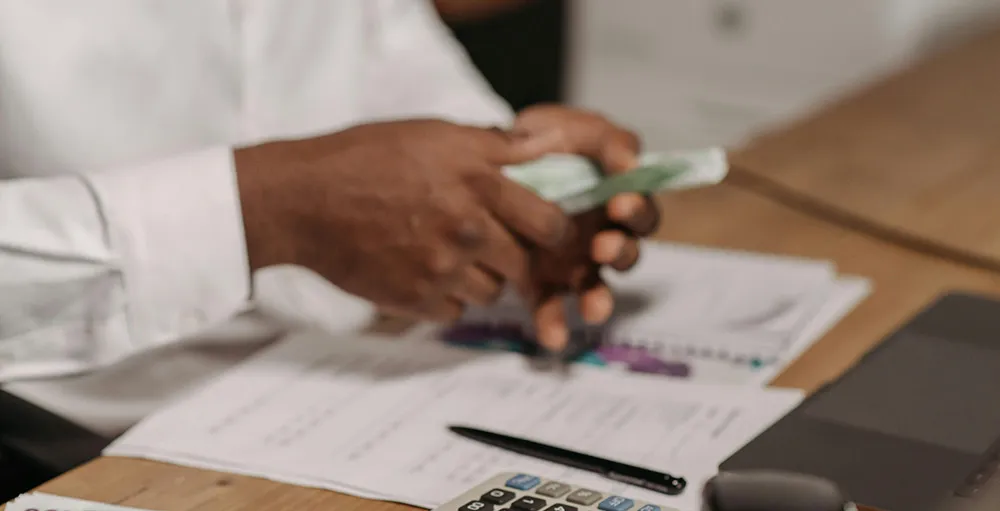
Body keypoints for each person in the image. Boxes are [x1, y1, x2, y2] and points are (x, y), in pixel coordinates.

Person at [0, 1, 659, 441]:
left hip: (355, 375)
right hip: (82, 430)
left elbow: (389, 51)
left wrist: (523, 187)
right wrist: (262, 210)